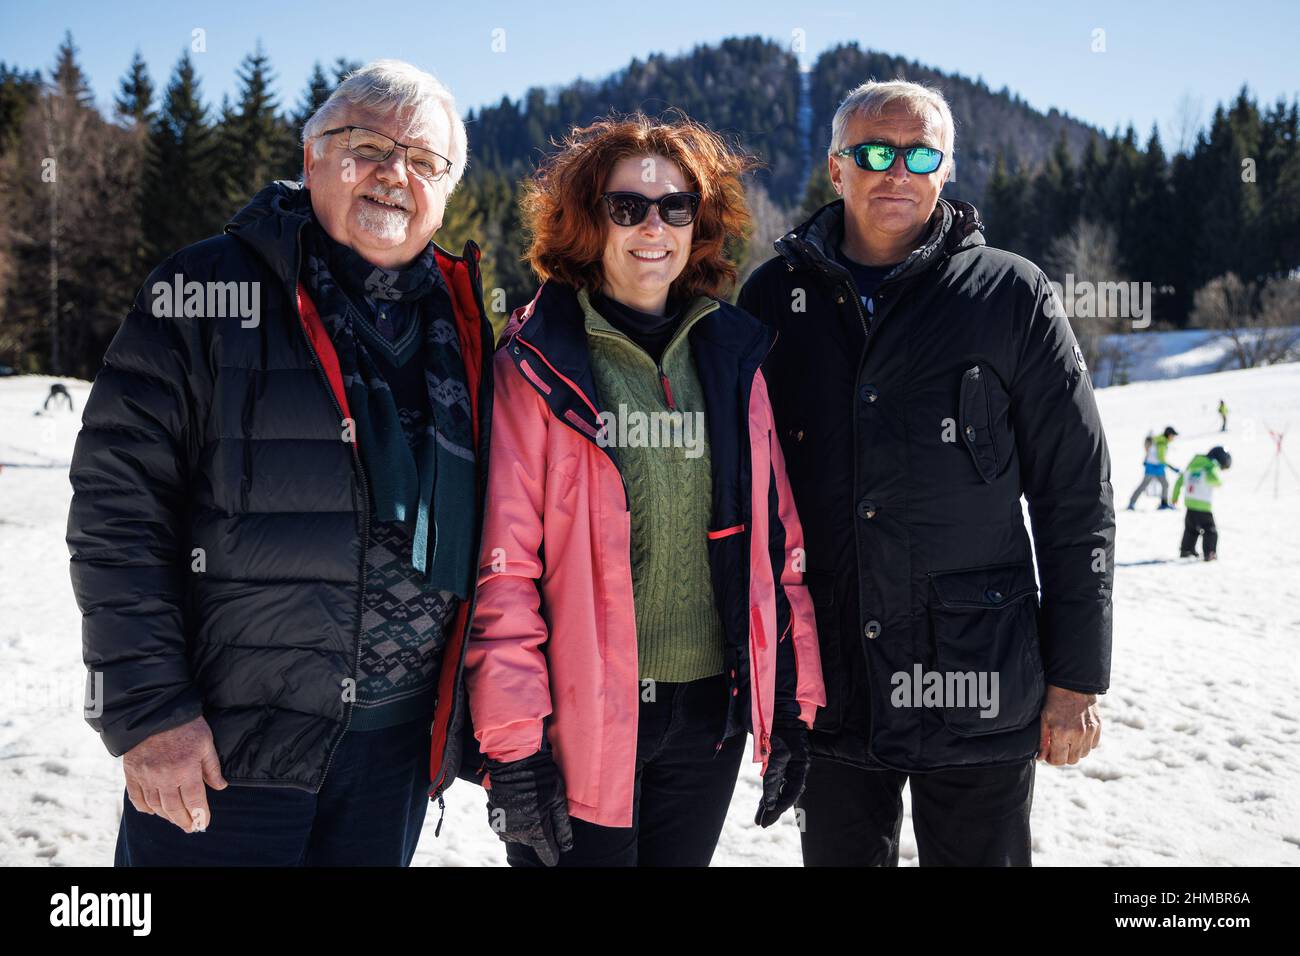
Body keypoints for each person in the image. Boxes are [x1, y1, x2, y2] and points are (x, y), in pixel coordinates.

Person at [66, 60, 495, 866]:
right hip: (226, 753)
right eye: (367, 146)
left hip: (392, 753)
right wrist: (151, 712)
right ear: (311, 159)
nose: (394, 175)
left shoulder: (462, 318)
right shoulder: (203, 289)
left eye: (424, 161)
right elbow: (115, 511)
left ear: (446, 190)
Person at [738, 80, 1114, 866]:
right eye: (874, 153)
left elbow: (1073, 495)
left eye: (919, 154)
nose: (896, 171)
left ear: (946, 170)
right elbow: (748, 496)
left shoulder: (1010, 293)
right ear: (836, 168)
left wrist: (1077, 678)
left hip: (982, 678)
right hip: (834, 686)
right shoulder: (777, 296)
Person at [464, 112, 825, 867]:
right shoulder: (536, 365)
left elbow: (778, 549)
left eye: (676, 206)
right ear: (588, 222)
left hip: (707, 719)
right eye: (626, 206)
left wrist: (789, 702)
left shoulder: (730, 357)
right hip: (582, 722)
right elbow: (503, 575)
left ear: (701, 222)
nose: (652, 225)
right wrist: (515, 750)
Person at [1173, 446, 1231, 561]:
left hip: (1190, 505)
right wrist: (1214, 473)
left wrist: (1175, 496)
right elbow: (1216, 481)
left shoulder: (1192, 466)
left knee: (1191, 529)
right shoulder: (1210, 467)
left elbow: (1179, 481)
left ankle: (1186, 550)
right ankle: (1210, 553)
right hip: (1203, 506)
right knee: (1210, 531)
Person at [1127, 426, 1180, 510]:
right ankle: (1131, 503)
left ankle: (1164, 503)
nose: (1173, 438)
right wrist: (1172, 468)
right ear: (1169, 435)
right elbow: (1161, 458)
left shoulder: (1160, 439)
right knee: (1145, 485)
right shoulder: (1162, 442)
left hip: (1156, 466)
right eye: (1173, 436)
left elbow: (1152, 451)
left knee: (1164, 484)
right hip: (1153, 467)